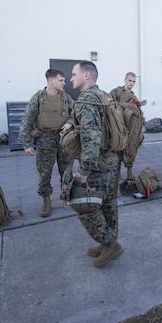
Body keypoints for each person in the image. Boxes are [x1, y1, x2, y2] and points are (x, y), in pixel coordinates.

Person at [68, 61, 123, 267]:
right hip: (111, 160)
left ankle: (109, 244)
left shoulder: (87, 101)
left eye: (74, 74)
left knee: (85, 206)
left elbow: (91, 137)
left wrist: (85, 168)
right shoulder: (105, 96)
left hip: (97, 163)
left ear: (87, 76)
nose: (71, 78)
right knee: (108, 202)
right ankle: (109, 242)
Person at [19, 68, 74, 217]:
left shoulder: (66, 98)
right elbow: (27, 120)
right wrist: (26, 144)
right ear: (50, 80)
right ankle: (46, 200)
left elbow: (75, 113)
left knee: (67, 170)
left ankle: (68, 197)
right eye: (60, 80)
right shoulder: (38, 98)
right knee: (45, 173)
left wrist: (69, 122)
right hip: (45, 140)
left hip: (63, 139)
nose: (64, 83)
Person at [110, 72, 146, 183]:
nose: (131, 83)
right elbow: (110, 104)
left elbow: (135, 110)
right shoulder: (116, 92)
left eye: (134, 81)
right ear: (125, 80)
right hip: (119, 126)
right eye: (130, 80)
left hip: (131, 128)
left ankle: (129, 173)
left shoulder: (133, 96)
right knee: (118, 149)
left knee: (130, 149)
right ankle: (118, 174)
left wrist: (139, 104)